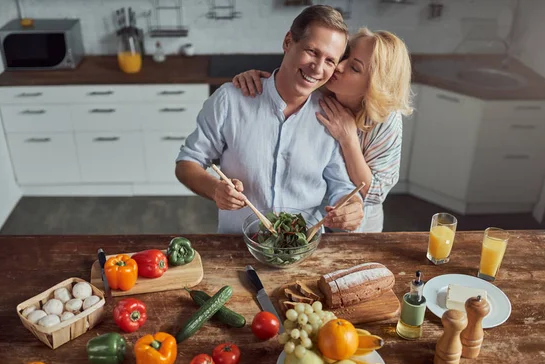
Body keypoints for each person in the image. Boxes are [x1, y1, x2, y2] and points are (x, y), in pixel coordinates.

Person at [175, 5, 364, 234]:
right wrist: (215, 189)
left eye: (330, 61)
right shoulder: (230, 100)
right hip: (238, 244)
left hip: (303, 249)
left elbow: (341, 187)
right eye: (312, 52)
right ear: (288, 42)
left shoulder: (332, 115)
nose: (317, 68)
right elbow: (187, 164)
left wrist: (352, 206)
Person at [232, 27, 413, 232]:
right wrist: (254, 80)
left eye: (354, 68)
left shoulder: (385, 118)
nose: (338, 66)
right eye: (344, 55)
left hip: (355, 223)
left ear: (374, 85)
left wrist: (349, 139)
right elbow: (282, 81)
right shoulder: (316, 85)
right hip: (309, 216)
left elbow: (375, 192)